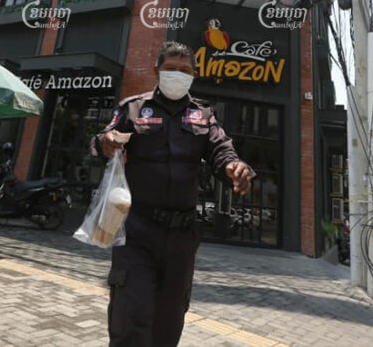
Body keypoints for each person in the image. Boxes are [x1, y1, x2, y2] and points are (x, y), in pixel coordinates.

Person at [91, 40, 254, 347]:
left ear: (193, 74)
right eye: (171, 69)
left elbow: (221, 149)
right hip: (137, 231)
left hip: (181, 236)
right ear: (157, 70)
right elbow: (100, 140)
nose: (177, 75)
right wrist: (106, 141)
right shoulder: (133, 108)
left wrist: (234, 165)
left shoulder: (204, 115)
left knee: (170, 320)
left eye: (185, 70)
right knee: (132, 314)